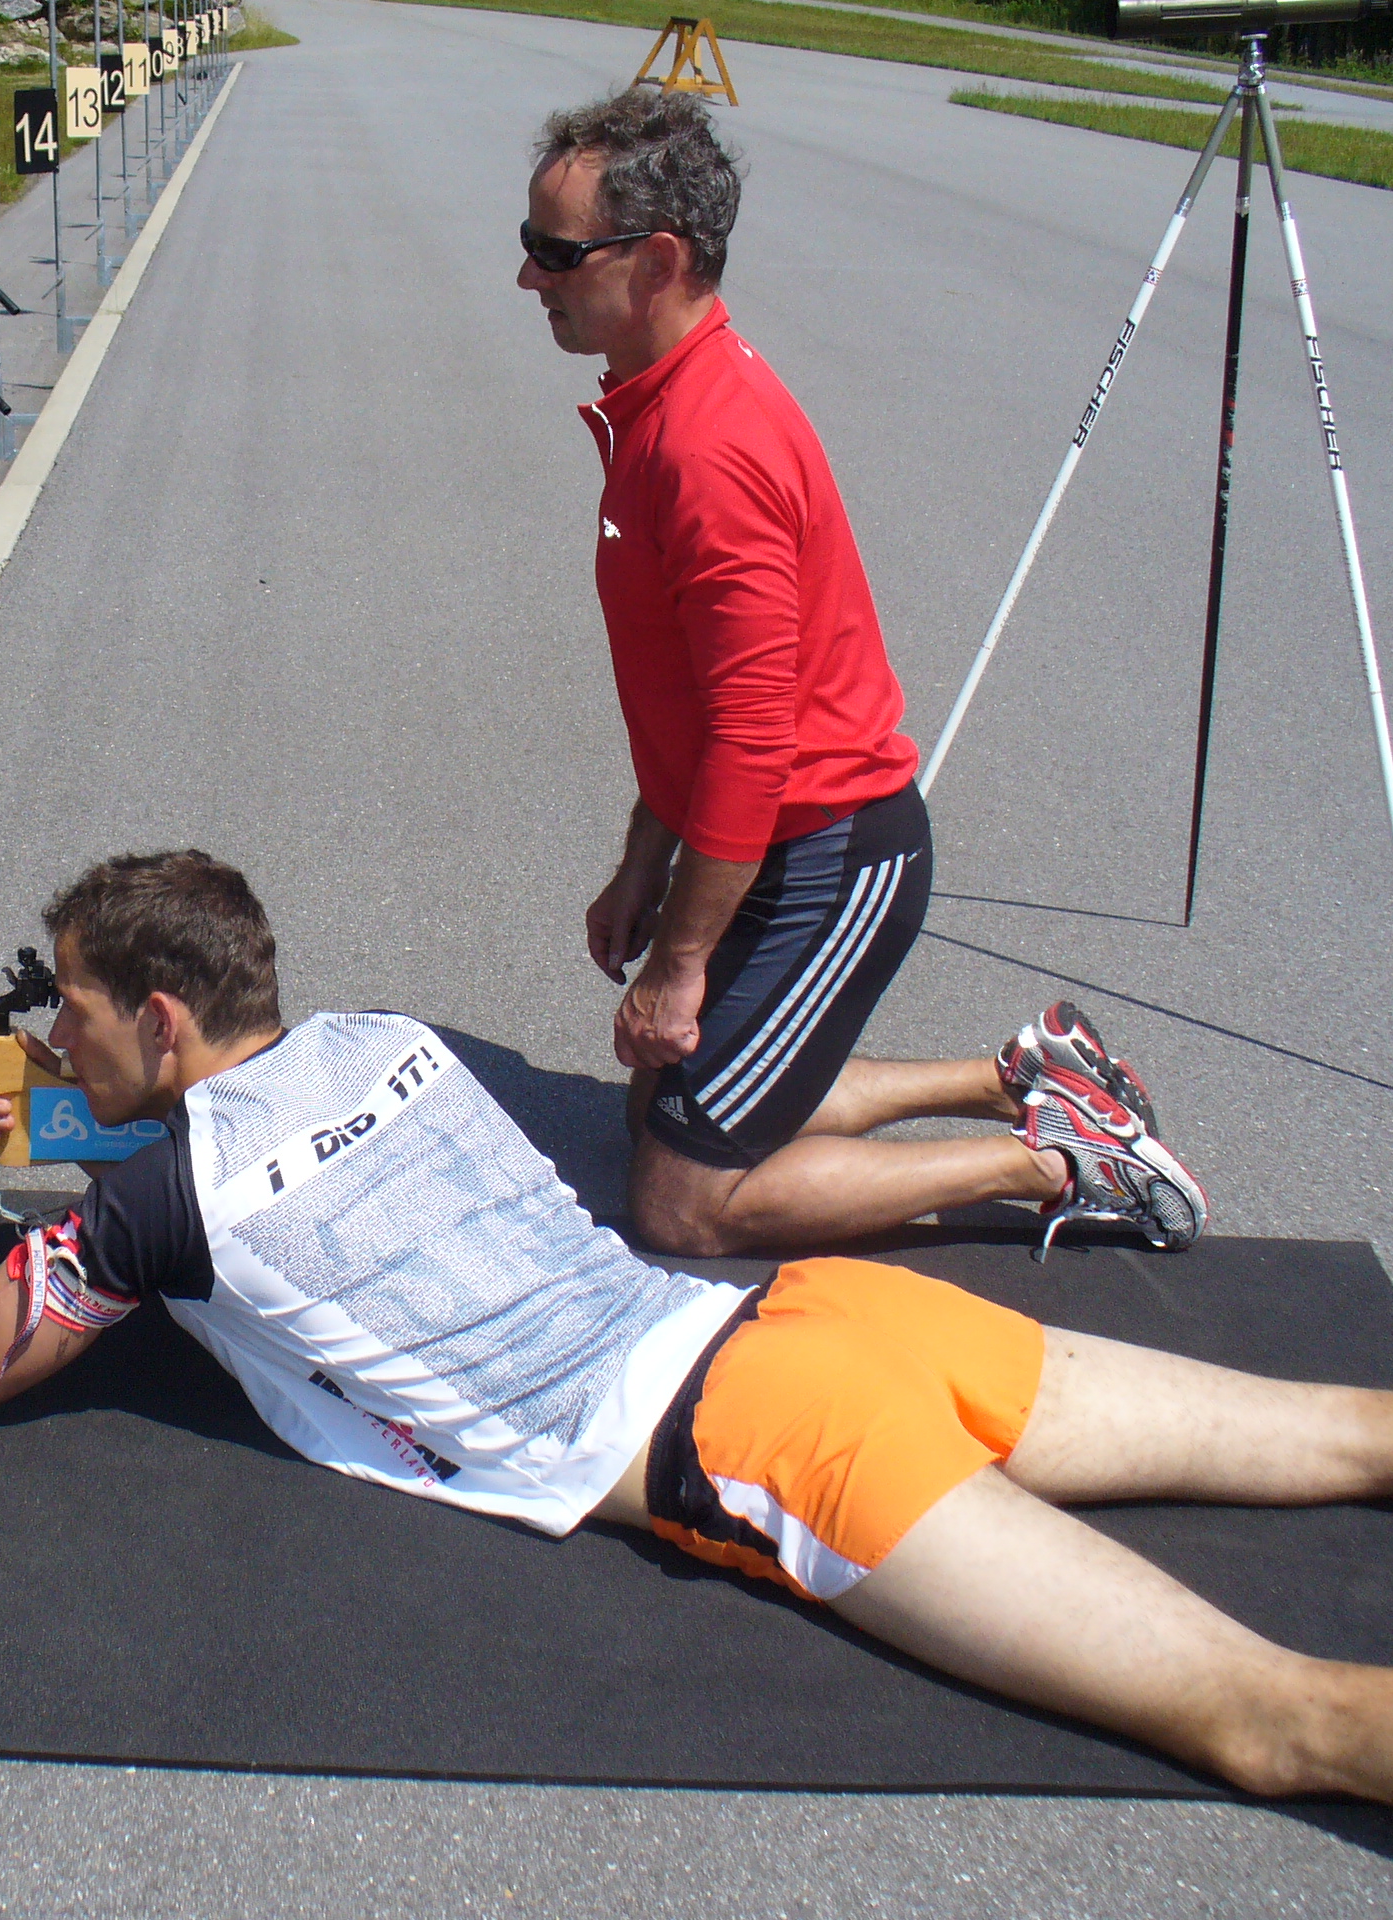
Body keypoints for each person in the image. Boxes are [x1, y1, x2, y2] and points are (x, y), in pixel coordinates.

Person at [0, 852, 1393, 1849]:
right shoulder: (386, 1040)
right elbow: (283, 1168)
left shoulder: (157, 1204)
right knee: (1357, 1432)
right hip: (828, 1315)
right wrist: (80, 1128)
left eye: (72, 1011)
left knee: (1276, 1718)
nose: (57, 1038)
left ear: (165, 1019)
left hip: (769, 1434)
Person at [516, 91, 1205, 1260]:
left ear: (658, 262)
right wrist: (642, 861)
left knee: (680, 1205)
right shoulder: (665, 404)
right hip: (760, 841)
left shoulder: (709, 447)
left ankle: (1059, 1154)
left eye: (555, 251)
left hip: (828, 858)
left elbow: (749, 736)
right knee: (659, 1115)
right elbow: (692, 698)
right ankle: (1018, 1075)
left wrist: (679, 966)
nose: (529, 276)